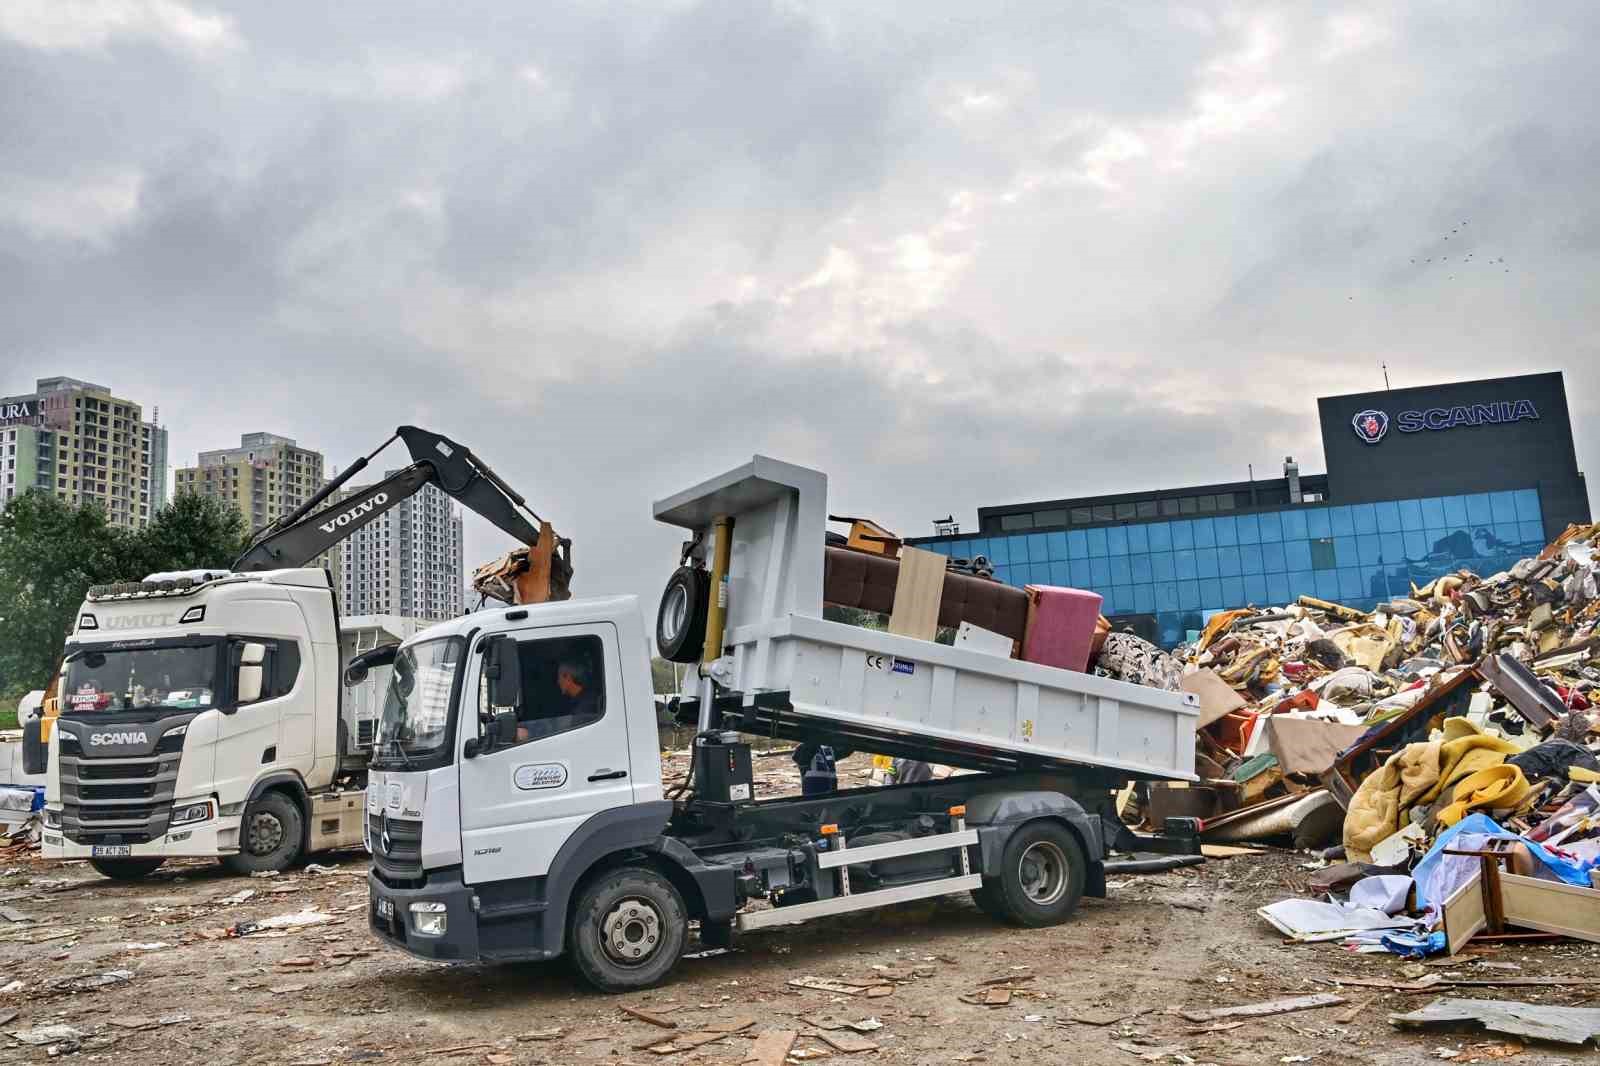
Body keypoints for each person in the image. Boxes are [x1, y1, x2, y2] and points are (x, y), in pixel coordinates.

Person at [516, 658, 601, 743]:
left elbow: (568, 730)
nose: (558, 682)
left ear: (567, 677)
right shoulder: (576, 700)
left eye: (559, 677)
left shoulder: (586, 705)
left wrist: (530, 734)